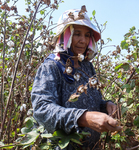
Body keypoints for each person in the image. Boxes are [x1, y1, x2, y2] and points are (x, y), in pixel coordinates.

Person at [31, 6, 121, 150]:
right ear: (65, 35)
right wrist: (83, 118)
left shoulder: (87, 67)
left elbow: (93, 101)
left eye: (87, 35)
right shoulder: (51, 67)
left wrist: (106, 106)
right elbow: (42, 109)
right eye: (77, 34)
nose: (83, 41)